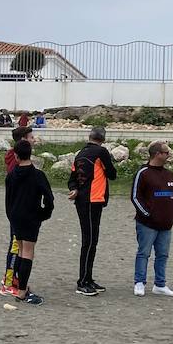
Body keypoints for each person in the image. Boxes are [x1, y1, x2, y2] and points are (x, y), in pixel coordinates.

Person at [68, 127, 118, 297]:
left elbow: (72, 179)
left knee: (91, 241)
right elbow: (112, 174)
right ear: (102, 139)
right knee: (89, 242)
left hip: (83, 200)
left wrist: (74, 189)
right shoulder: (101, 152)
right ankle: (82, 281)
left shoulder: (80, 153)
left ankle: (88, 278)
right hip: (92, 200)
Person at [3, 140, 54, 305]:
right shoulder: (38, 175)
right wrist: (44, 214)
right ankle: (22, 291)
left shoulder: (11, 176)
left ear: (16, 156)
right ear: (30, 154)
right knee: (27, 252)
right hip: (32, 217)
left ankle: (20, 285)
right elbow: (49, 199)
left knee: (19, 250)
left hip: (16, 217)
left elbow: (8, 200)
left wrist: (11, 216)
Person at [131, 141, 173, 297]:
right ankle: (139, 282)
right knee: (144, 253)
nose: (168, 155)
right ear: (157, 154)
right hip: (147, 224)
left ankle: (160, 284)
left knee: (163, 254)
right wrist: (147, 214)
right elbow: (135, 196)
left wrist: (172, 214)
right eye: (166, 152)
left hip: (166, 224)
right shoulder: (143, 173)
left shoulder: (170, 175)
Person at [1, 126, 35, 292]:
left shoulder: (17, 160)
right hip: (18, 212)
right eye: (31, 137)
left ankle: (15, 279)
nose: (34, 140)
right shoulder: (17, 164)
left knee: (19, 246)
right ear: (23, 140)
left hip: (19, 211)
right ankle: (8, 283)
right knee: (16, 246)